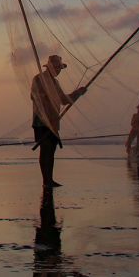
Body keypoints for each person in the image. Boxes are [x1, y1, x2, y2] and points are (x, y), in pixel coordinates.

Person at [31, 54, 86, 187]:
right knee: (45, 149)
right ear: (50, 67)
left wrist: (78, 93)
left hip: (54, 121)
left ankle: (50, 179)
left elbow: (63, 100)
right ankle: (46, 181)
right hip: (42, 121)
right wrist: (46, 97)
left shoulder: (55, 83)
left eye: (60, 68)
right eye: (57, 68)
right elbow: (34, 96)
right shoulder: (39, 79)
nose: (59, 70)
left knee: (51, 150)